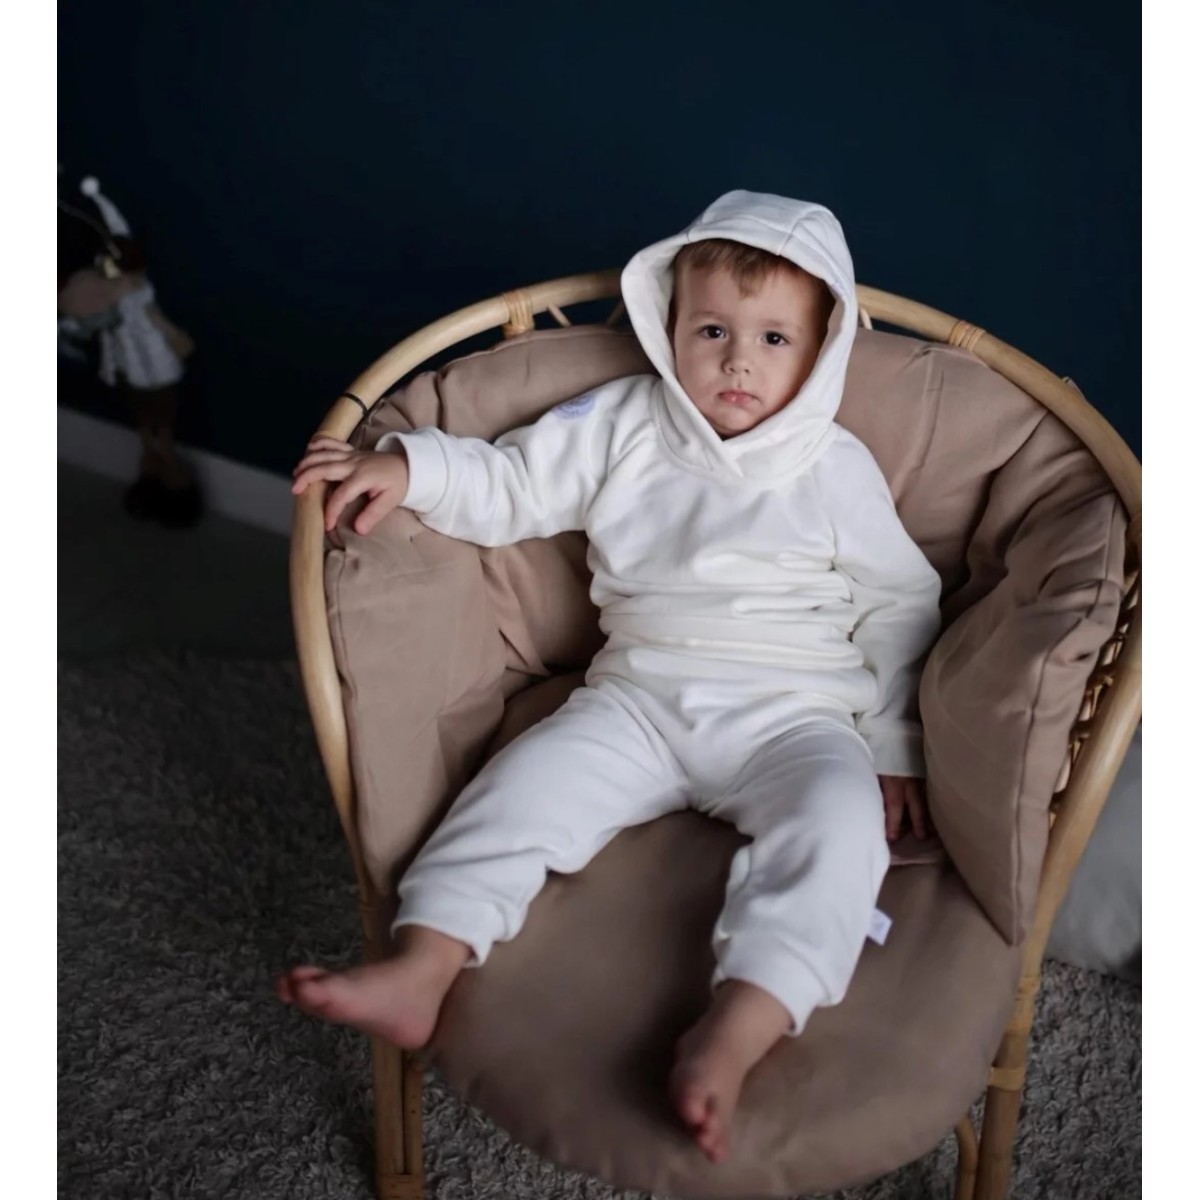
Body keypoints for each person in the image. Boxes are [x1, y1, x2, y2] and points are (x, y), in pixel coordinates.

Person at [279, 190, 942, 1164]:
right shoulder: (623, 422)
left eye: (773, 339)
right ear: (669, 326)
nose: (738, 361)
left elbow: (901, 605)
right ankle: (423, 963)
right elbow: (513, 482)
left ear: (821, 353)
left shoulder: (835, 467)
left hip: (798, 717)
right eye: (712, 331)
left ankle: (740, 1025)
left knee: (841, 832)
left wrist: (892, 744)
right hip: (639, 699)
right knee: (517, 792)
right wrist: (411, 469)